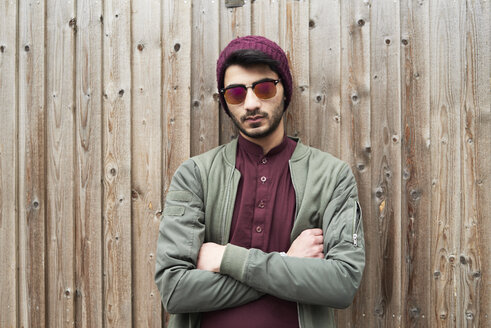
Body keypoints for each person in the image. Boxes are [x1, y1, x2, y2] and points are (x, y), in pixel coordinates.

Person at [155, 35, 365, 328]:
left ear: (284, 90)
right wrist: (286, 261)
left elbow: (343, 283)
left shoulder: (331, 176)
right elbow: (174, 290)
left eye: (264, 88)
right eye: (236, 93)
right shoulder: (195, 175)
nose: (251, 103)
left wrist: (227, 258)